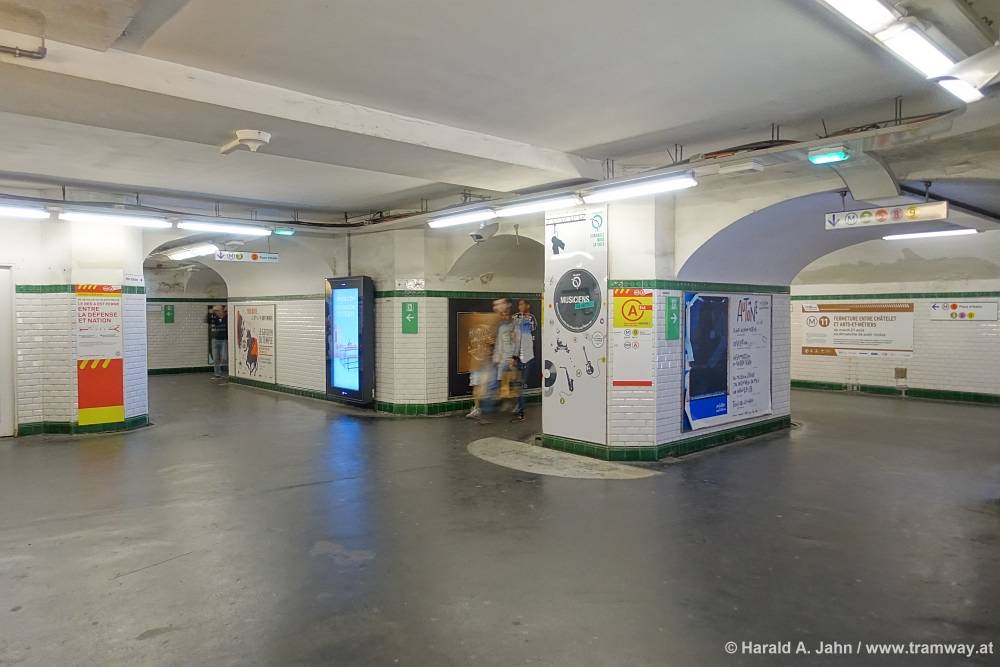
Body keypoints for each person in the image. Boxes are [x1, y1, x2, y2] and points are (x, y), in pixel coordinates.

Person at [511, 299, 537, 421]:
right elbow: (514, 336)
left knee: (521, 385)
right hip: (517, 356)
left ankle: (521, 412)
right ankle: (519, 406)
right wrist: (513, 357)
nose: (520, 306)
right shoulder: (516, 317)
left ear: (528, 305)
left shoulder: (531, 318)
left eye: (522, 304)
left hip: (527, 356)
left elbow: (533, 328)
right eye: (519, 305)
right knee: (517, 384)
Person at [207, 305, 228, 380]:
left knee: (224, 357)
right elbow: (208, 320)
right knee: (216, 358)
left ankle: (227, 371)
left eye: (219, 311)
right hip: (215, 340)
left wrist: (227, 309)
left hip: (224, 340)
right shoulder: (215, 318)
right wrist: (209, 313)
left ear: (222, 311)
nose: (218, 312)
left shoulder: (226, 318)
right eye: (216, 311)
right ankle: (217, 374)